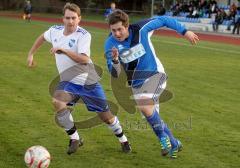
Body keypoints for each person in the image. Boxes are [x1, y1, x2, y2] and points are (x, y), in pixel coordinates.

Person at [27, 3, 131, 155]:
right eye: (68, 18)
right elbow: (42, 37)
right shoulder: (54, 31)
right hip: (68, 82)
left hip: (88, 82)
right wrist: (31, 54)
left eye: (74, 18)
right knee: (58, 101)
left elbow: (84, 59)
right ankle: (75, 138)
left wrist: (64, 50)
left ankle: (123, 139)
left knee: (107, 118)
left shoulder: (83, 35)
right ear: (63, 19)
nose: (70, 21)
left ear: (79, 19)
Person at [104, 10, 199, 158]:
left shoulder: (142, 29)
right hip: (136, 84)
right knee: (150, 114)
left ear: (127, 26)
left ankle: (163, 138)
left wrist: (184, 31)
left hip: (155, 74)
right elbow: (115, 73)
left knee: (144, 105)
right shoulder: (110, 44)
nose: (116, 33)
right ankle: (174, 143)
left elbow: (164, 19)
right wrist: (115, 61)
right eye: (113, 30)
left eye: (119, 29)